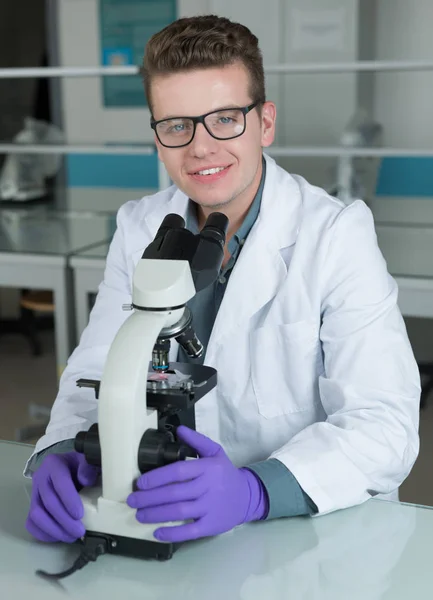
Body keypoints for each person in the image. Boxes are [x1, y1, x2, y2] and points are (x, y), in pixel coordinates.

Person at [25, 15, 420, 545]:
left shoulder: (335, 234)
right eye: (176, 125)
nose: (201, 147)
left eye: (226, 119)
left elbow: (384, 424)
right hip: (158, 518)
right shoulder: (139, 226)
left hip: (308, 537)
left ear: (266, 122)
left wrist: (255, 491)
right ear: (158, 135)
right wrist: (62, 450)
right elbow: (99, 368)